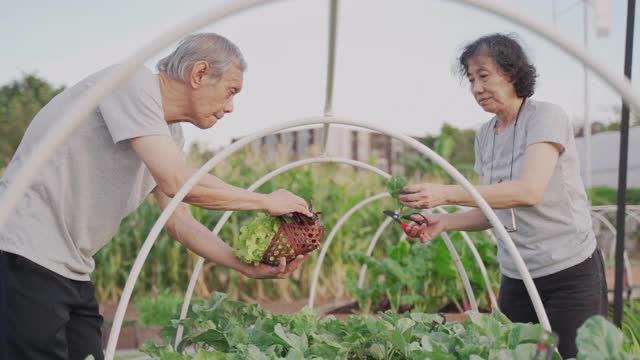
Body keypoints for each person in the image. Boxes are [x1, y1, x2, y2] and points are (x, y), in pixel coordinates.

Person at [0, 33, 312, 360]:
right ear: (199, 73)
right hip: (23, 254)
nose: (231, 107)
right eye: (230, 91)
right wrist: (264, 200)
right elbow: (177, 181)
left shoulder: (168, 136)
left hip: (72, 271)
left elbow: (180, 224)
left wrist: (243, 265)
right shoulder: (131, 82)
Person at [400, 33, 607, 358]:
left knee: (569, 354)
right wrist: (445, 221)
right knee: (517, 353)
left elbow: (528, 191)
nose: (476, 88)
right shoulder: (486, 135)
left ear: (512, 73)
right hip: (519, 274)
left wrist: (445, 192)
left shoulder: (545, 117)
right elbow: (491, 209)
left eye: (484, 75)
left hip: (569, 271)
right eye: (470, 80)